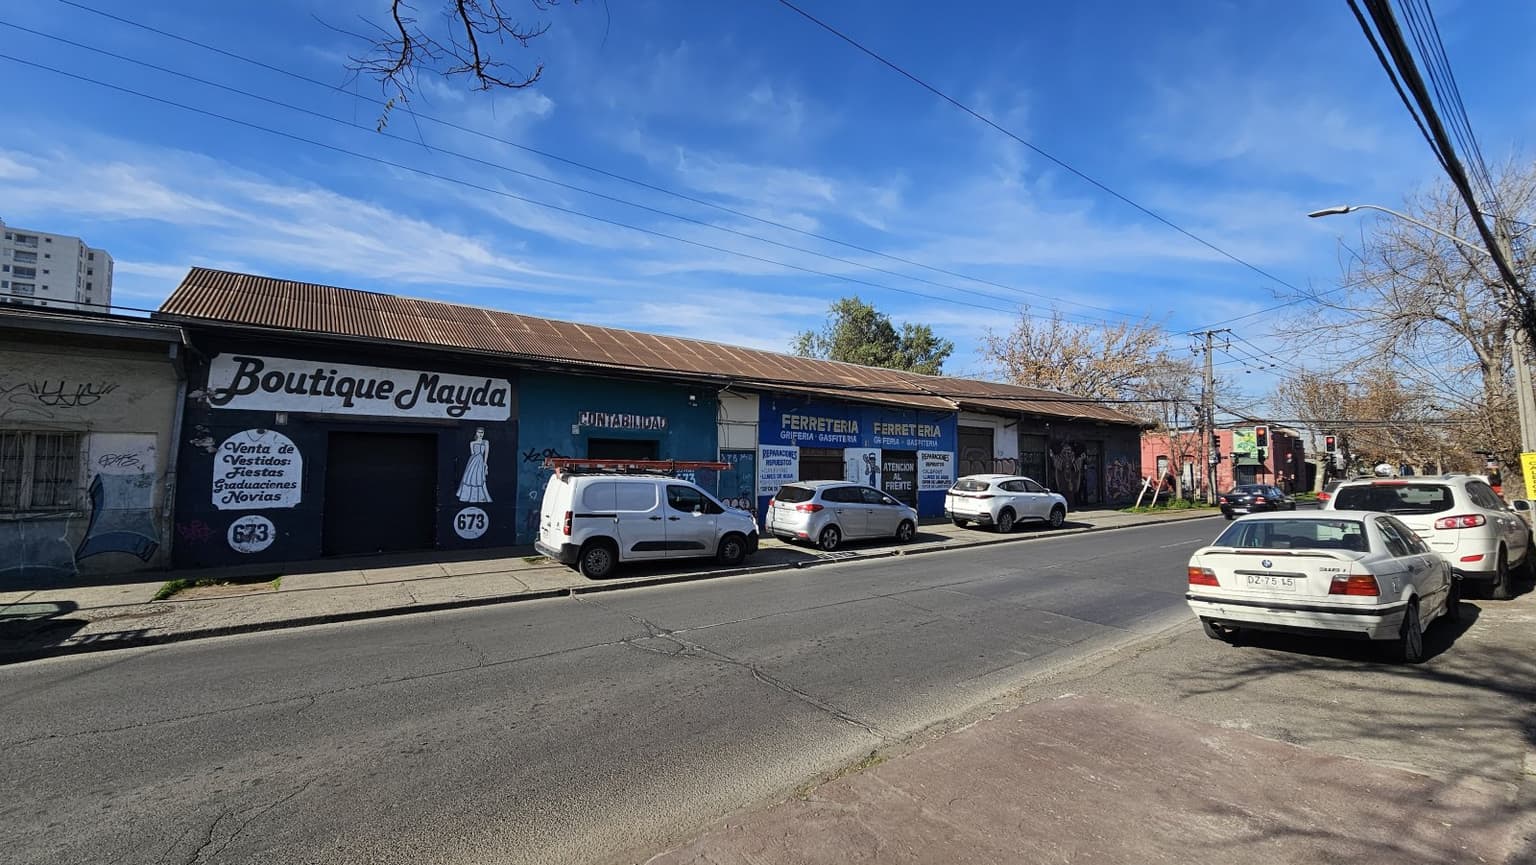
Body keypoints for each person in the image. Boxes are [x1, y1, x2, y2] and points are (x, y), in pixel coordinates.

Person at [457, 427, 492, 502]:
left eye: (482, 432)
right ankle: (469, 497)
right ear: (476, 433)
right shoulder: (472, 443)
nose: (480, 434)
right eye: (479, 432)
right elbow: (472, 453)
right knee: (470, 477)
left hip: (480, 461)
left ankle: (480, 497)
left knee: (479, 478)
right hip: (473, 461)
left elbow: (486, 454)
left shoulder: (486, 442)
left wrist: (485, 464)